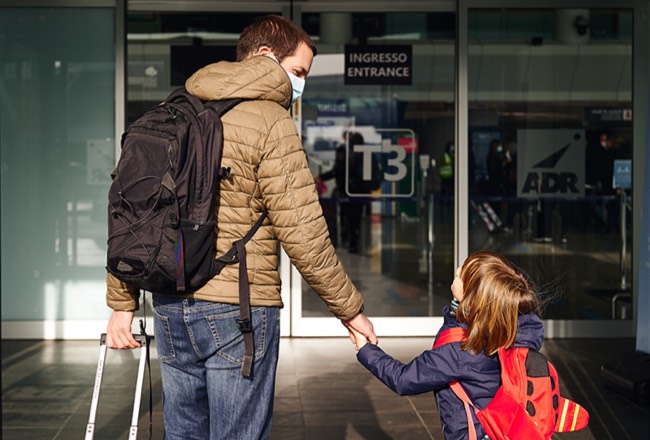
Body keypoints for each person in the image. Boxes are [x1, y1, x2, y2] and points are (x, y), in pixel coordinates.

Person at [105, 15, 377, 440]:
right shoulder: (270, 120)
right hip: (240, 310)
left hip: (171, 303)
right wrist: (350, 309)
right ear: (268, 56)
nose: (300, 83)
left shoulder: (173, 108)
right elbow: (304, 233)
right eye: (300, 71)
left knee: (184, 434)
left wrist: (121, 302)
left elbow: (131, 209)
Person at [349, 251, 544, 440]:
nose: (457, 270)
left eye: (462, 275)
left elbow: (403, 379)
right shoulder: (515, 328)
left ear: (472, 298)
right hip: (506, 429)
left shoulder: (460, 352)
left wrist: (365, 348)